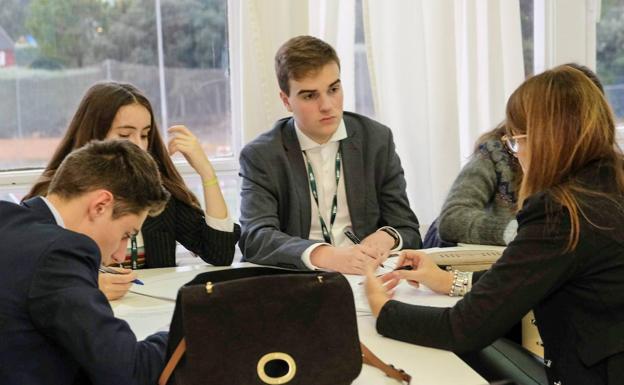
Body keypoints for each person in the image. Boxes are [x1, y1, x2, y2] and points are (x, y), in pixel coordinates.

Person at [365, 65, 624, 384]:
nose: (516, 155)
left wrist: (382, 309)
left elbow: (463, 328)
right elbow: (525, 275)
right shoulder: (610, 184)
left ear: (544, 140)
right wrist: (449, 280)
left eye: (516, 142)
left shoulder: (561, 212)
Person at [23, 82, 241, 300]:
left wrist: (207, 173)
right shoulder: (58, 198)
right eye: (125, 135)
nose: (138, 146)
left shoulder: (156, 195)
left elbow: (219, 253)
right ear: (94, 135)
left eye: (145, 135)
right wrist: (84, 284)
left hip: (152, 311)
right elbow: (28, 272)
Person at [238, 35, 421, 274]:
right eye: (310, 96)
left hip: (368, 277)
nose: (327, 105)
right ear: (286, 100)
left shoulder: (376, 140)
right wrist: (326, 255)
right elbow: (255, 237)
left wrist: (386, 237)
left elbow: (407, 228)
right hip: (298, 280)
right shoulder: (262, 155)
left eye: (333, 89)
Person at [0, 140, 170, 385]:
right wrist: (179, 331)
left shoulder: (7, 217)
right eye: (126, 235)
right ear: (100, 206)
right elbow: (127, 370)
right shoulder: (61, 253)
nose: (121, 256)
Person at [426, 62, 605, 248]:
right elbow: (453, 218)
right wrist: (523, 233)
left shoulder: (600, 165)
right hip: (482, 261)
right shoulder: (498, 151)